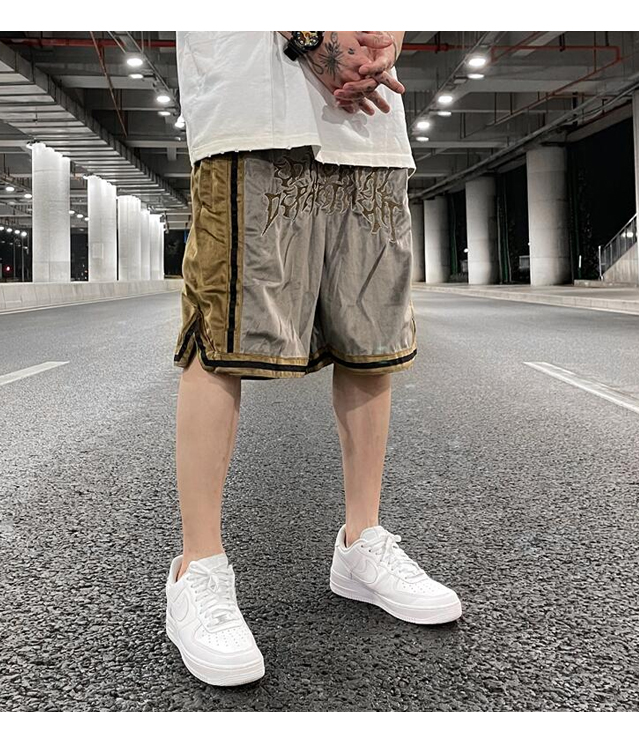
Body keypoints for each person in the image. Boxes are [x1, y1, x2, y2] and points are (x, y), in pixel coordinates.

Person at [166, 31, 462, 687]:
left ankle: (361, 542)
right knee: (222, 335)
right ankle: (198, 567)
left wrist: (383, 48)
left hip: (372, 130)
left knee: (371, 338)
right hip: (254, 109)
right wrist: (312, 38)